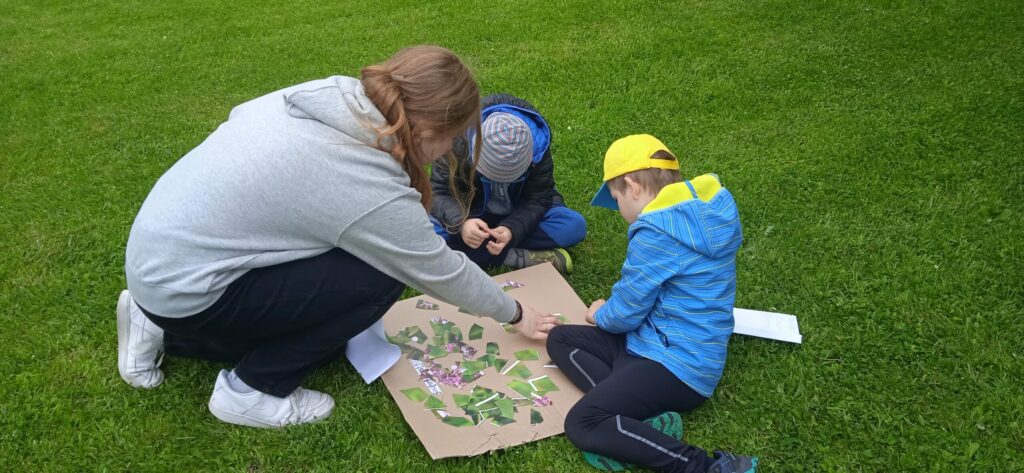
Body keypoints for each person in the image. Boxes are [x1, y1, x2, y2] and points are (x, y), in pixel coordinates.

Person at [117, 45, 561, 429]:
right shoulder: (363, 177)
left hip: (159, 260)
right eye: (451, 140)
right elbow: (434, 267)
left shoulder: (336, 95)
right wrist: (515, 312)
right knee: (380, 278)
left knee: (339, 319)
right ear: (427, 132)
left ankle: (152, 322)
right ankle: (251, 390)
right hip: (189, 288)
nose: (449, 151)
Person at [547, 134, 757, 472]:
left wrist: (600, 314)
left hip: (679, 367)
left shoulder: (656, 233)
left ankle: (706, 467)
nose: (619, 210)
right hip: (655, 342)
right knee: (560, 338)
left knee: (583, 422)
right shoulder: (697, 212)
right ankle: (634, 414)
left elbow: (625, 312)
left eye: (616, 199)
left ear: (632, 187)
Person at [428, 94, 586, 273]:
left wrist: (512, 229)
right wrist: (462, 223)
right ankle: (513, 256)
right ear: (475, 153)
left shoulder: (537, 144)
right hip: (470, 212)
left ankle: (471, 253)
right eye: (489, 176)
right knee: (424, 236)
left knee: (573, 226)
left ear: (529, 158)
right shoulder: (453, 142)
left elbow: (538, 198)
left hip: (519, 211)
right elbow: (437, 193)